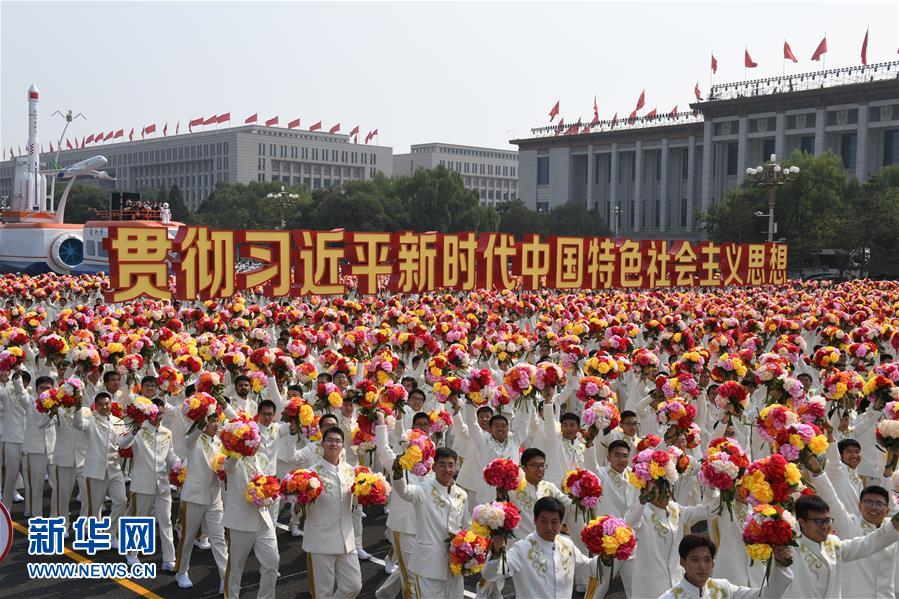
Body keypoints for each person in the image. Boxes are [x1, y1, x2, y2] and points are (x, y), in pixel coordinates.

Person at [780, 494, 899, 599]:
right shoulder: (789, 549)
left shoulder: (832, 543)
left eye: (828, 520)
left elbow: (865, 544)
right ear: (802, 522)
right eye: (819, 522)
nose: (825, 526)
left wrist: (893, 526)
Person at [810, 462, 898, 598]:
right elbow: (831, 500)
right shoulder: (849, 524)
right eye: (868, 502)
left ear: (887, 510)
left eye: (879, 504)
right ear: (859, 506)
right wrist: (817, 472)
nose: (874, 507)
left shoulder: (893, 528)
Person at [481, 496, 597, 599]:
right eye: (544, 521)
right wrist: (496, 552)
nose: (549, 527)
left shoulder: (567, 545)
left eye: (554, 522)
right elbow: (490, 575)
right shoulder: (522, 549)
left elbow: (589, 566)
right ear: (535, 521)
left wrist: (608, 553)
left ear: (561, 524)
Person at [393, 446, 470, 599]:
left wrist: (471, 550)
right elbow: (404, 491)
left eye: (451, 465)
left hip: (455, 564)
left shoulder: (462, 494)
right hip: (428, 564)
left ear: (456, 467)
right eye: (442, 464)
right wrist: (397, 474)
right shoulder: (423, 490)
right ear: (434, 467)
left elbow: (467, 526)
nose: (447, 469)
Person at [222, 419, 279, 599]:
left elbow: (265, 483)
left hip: (263, 519)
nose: (255, 443)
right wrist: (237, 449)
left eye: (256, 439)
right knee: (236, 568)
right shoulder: (233, 461)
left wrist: (268, 495)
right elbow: (228, 466)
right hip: (240, 522)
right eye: (252, 440)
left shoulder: (260, 459)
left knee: (272, 562)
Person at [302, 426, 362, 599]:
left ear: (343, 445)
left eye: (338, 441)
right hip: (321, 541)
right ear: (322, 444)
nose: (333, 444)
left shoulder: (349, 470)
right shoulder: (310, 473)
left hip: (346, 539)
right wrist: (298, 502)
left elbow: (355, 499)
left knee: (354, 585)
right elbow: (299, 504)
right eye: (329, 440)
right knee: (323, 593)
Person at [118, 400, 179, 570]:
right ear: (148, 413)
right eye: (155, 413)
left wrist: (179, 466)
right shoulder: (139, 429)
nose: (158, 416)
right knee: (139, 520)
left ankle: (169, 559)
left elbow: (171, 455)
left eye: (161, 413)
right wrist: (136, 428)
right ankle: (131, 554)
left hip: (163, 484)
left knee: (166, 521)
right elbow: (122, 444)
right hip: (142, 484)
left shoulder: (167, 432)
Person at [175, 413, 228, 591]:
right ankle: (181, 571)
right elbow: (189, 441)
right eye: (212, 421)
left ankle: (225, 577)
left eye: (216, 421)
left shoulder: (220, 442)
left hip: (214, 498)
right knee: (188, 537)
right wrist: (201, 421)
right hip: (194, 497)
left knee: (219, 539)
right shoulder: (193, 439)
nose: (215, 424)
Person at [658, 534, 793, 599]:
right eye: (695, 560)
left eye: (707, 560)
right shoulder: (669, 597)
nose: (702, 566)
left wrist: (780, 565)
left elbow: (764, 596)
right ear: (682, 562)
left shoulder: (723, 588)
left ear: (713, 563)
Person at [73, 392, 128, 543]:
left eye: (107, 404)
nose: (104, 407)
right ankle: (93, 535)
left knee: (121, 501)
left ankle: (111, 533)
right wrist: (78, 407)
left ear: (111, 404)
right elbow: (78, 424)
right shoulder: (90, 419)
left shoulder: (119, 422)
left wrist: (134, 432)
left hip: (114, 469)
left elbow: (123, 443)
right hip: (95, 471)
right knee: (94, 507)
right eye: (101, 404)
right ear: (95, 406)